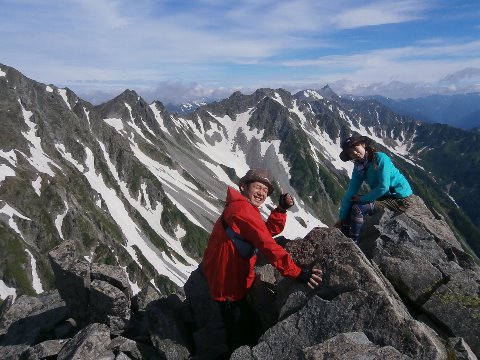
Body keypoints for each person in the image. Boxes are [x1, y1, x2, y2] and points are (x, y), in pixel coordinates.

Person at [202, 168, 322, 356]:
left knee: (244, 327)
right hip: (228, 285)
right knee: (239, 335)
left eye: (265, 191)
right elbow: (267, 245)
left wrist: (280, 210)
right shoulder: (243, 210)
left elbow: (261, 232)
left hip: (230, 278)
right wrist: (298, 273)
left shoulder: (241, 206)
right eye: (258, 187)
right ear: (243, 186)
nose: (262, 193)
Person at [334, 135, 413, 243]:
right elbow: (351, 192)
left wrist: (362, 199)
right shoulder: (359, 168)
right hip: (386, 196)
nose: (355, 153)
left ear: (363, 145)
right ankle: (344, 233)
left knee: (358, 207)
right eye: (351, 153)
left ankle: (353, 242)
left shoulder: (380, 158)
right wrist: (341, 218)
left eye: (355, 149)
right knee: (353, 201)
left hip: (400, 199)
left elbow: (384, 187)